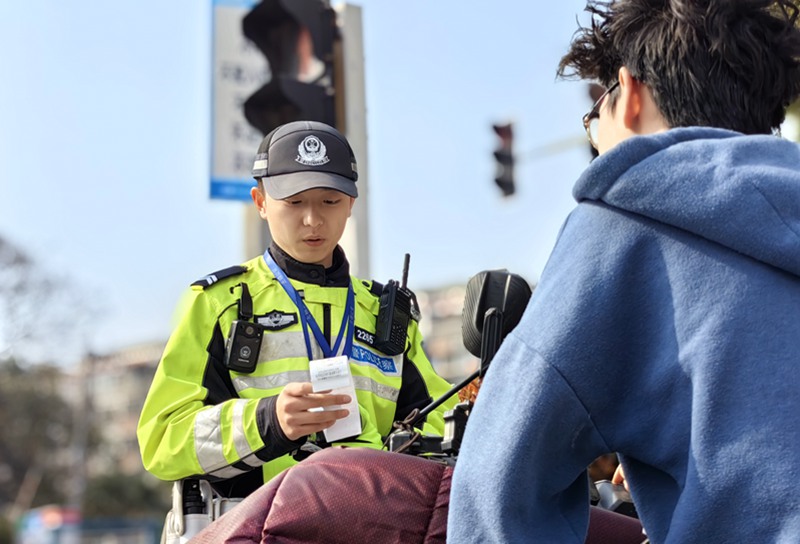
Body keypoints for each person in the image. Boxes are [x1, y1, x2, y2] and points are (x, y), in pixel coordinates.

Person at [448, 1, 800, 543]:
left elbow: (499, 484)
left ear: (629, 93)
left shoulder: (620, 224)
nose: (594, 137)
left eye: (594, 117)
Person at [137, 120, 455, 499]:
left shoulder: (387, 313)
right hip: (254, 531)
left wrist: (386, 451)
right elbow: (161, 440)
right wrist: (267, 421)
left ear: (351, 203)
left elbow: (442, 431)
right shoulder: (218, 304)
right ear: (260, 203)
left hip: (370, 523)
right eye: (294, 202)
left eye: (329, 201)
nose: (312, 219)